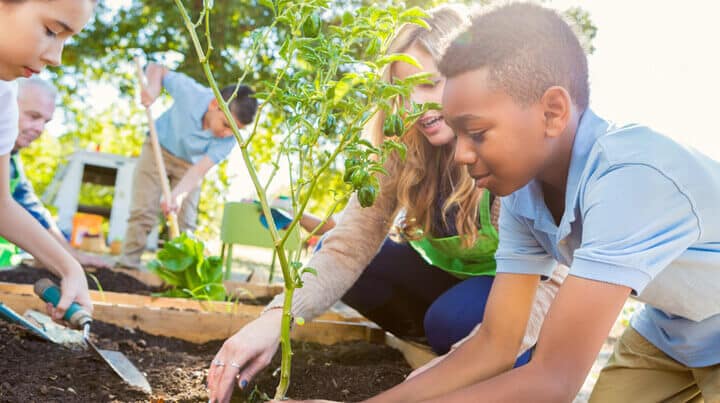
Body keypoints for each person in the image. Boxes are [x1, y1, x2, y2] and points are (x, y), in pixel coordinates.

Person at [342, 3, 720, 402]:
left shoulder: (630, 181)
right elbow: (495, 343)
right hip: (673, 329)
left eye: (477, 131)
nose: (460, 155)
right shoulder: (523, 197)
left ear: (552, 112)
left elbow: (553, 380)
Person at [206, 6, 565, 402]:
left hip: (523, 298)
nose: (414, 106)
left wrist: (421, 388)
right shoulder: (401, 147)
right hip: (455, 288)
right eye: (402, 91)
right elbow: (347, 246)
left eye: (431, 84)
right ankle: (440, 349)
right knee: (352, 263)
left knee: (452, 319)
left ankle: (472, 355)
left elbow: (553, 286)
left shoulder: (508, 153)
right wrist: (276, 318)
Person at [0, 0, 97, 320]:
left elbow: (2, 205)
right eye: (51, 31)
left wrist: (69, 267)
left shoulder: (4, 96)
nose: (56, 58)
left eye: (66, 41)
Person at [116, 64, 258, 270]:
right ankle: (126, 267)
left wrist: (179, 195)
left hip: (190, 166)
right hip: (158, 150)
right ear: (213, 104)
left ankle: (178, 276)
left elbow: (199, 170)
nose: (228, 134)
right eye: (226, 125)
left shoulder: (228, 141)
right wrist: (153, 89)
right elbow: (157, 68)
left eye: (235, 131)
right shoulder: (192, 93)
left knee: (185, 222)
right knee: (144, 211)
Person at [0, 77, 111, 269]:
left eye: (46, 121)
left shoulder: (13, 161)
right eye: (33, 116)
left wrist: (71, 256)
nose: (40, 129)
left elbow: (35, 213)